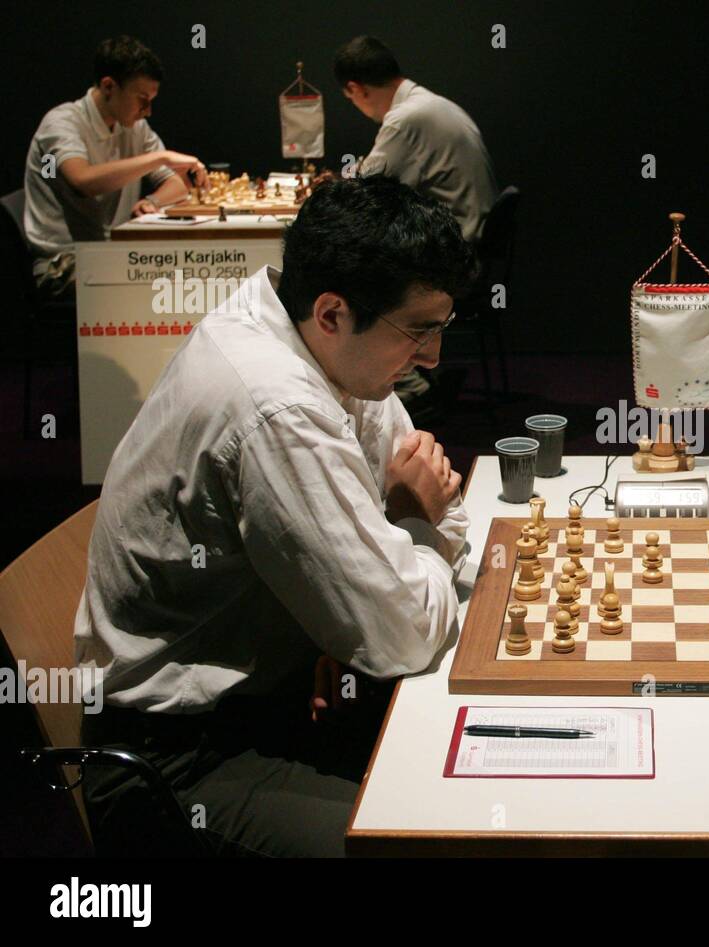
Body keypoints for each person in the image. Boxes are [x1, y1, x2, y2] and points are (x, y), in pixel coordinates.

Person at [74, 176, 479, 857]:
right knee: (437, 846)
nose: (434, 357)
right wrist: (412, 531)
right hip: (180, 763)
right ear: (331, 312)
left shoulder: (320, 342)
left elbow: (443, 507)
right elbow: (401, 627)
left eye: (442, 326)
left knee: (477, 777)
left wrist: (396, 556)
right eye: (419, 330)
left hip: (271, 697)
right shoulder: (276, 403)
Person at [333, 34, 500, 409]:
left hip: (455, 256)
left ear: (355, 89)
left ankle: (407, 385)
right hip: (467, 243)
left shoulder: (407, 117)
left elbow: (365, 191)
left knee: (346, 269)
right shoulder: (431, 104)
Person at [23, 35, 208, 300]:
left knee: (194, 275)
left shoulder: (134, 127)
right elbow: (83, 181)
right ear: (109, 86)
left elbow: (178, 184)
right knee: (168, 289)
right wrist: (160, 158)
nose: (147, 111)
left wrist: (153, 201)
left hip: (112, 254)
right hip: (64, 262)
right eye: (142, 99)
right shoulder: (60, 123)